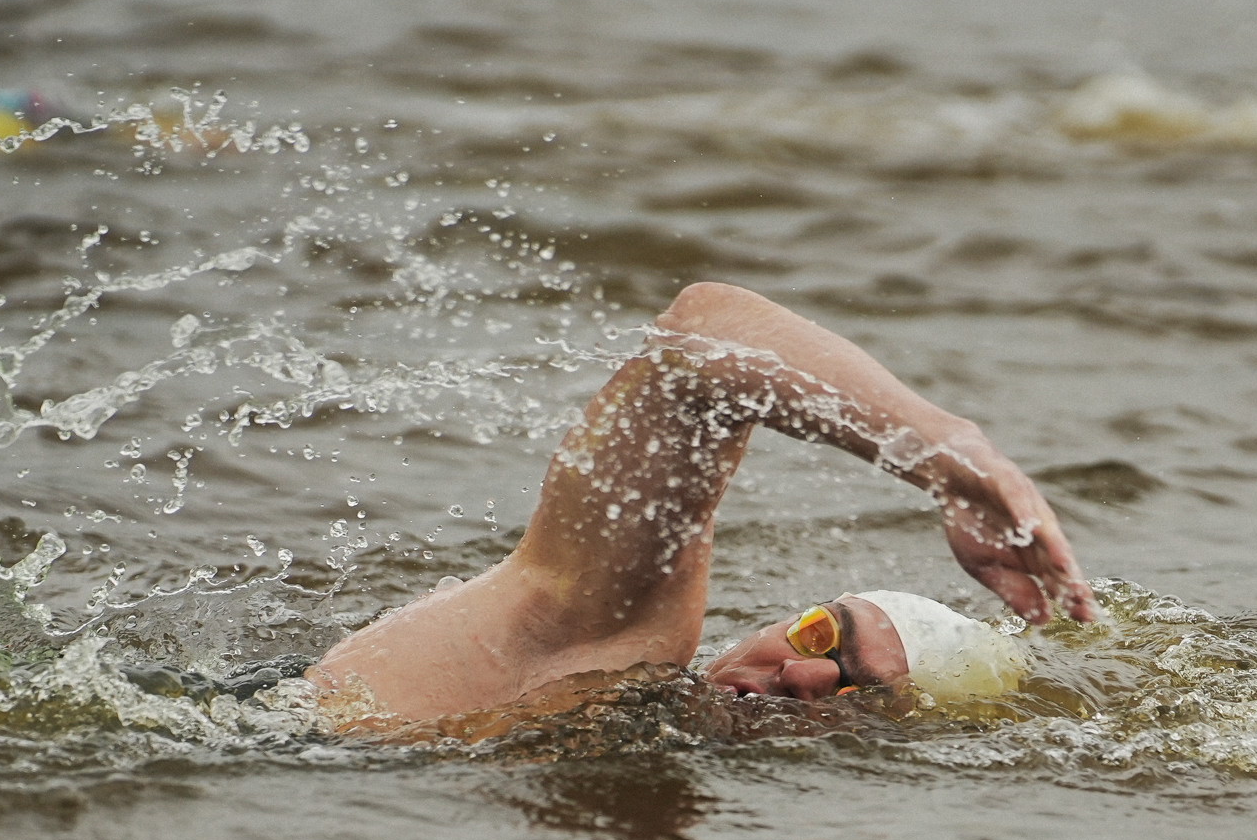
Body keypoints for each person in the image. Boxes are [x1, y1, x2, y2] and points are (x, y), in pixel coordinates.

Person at [312, 282, 1097, 723]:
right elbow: (702, 341)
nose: (803, 676)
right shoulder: (608, 639)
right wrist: (949, 457)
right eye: (821, 635)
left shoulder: (646, 770)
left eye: (859, 690)